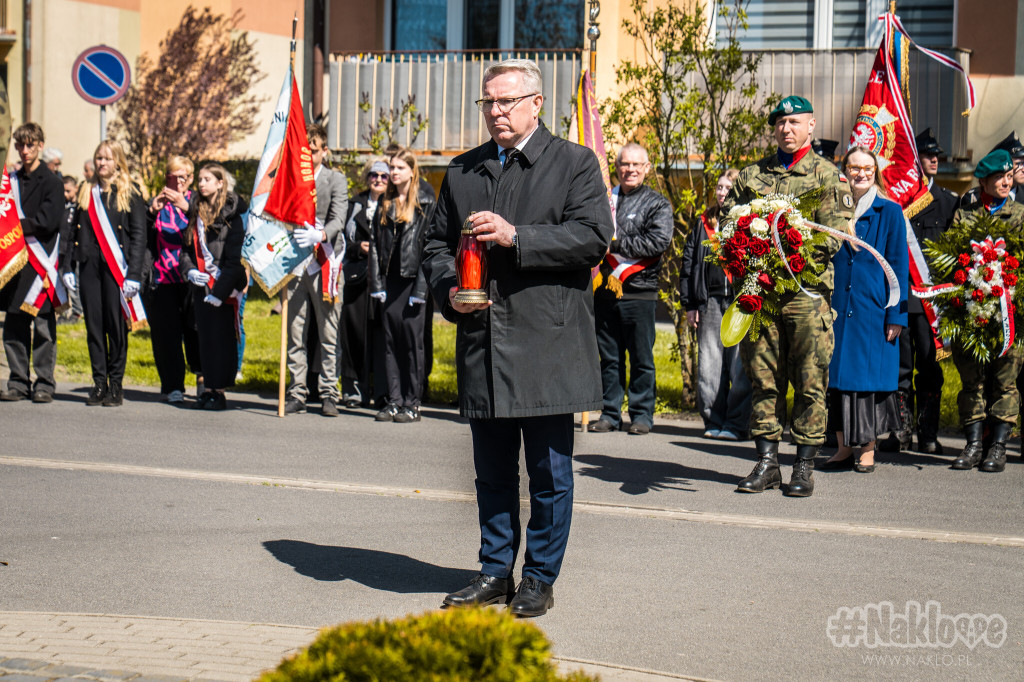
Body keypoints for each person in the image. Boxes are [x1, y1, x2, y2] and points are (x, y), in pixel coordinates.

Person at [423, 59, 614, 616]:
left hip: (547, 343)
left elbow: (592, 237)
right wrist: (448, 292)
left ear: (536, 103)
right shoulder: (462, 171)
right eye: (489, 103)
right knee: (491, 472)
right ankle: (493, 571)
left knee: (549, 475)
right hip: (484, 342)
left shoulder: (575, 164)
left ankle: (539, 577)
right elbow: (435, 246)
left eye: (507, 102)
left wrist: (516, 236)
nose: (497, 112)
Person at [725, 95, 855, 497]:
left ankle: (803, 465)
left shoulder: (827, 176)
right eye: (780, 122)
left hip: (804, 293)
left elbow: (836, 237)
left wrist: (786, 251)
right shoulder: (750, 176)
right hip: (760, 293)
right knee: (763, 377)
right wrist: (751, 252)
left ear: (811, 126)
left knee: (809, 379)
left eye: (794, 122)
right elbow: (729, 225)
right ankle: (766, 463)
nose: (786, 128)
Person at [819, 147, 908, 473]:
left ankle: (867, 449)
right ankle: (843, 448)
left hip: (872, 309)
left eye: (866, 169)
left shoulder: (889, 211)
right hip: (838, 310)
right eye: (854, 168)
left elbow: (899, 265)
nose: (860, 174)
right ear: (845, 170)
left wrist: (897, 315)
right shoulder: (833, 208)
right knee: (838, 383)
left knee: (866, 385)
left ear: (875, 172)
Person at [879, 129, 958, 455]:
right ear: (912, 160)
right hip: (902, 298)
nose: (935, 160)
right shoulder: (896, 202)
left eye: (936, 155)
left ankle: (928, 432)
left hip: (932, 301)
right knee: (899, 369)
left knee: (930, 367)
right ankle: (900, 432)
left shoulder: (947, 203)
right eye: (927, 155)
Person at [589, 143, 672, 436]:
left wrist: (616, 245)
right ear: (617, 167)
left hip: (640, 291)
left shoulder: (658, 204)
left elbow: (657, 242)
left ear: (647, 168)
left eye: (637, 165)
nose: (630, 170)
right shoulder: (604, 200)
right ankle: (610, 413)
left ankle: (641, 414)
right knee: (609, 358)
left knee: (641, 359)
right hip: (605, 291)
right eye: (625, 164)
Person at [948, 150, 1024, 473]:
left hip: (1010, 314)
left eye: (1009, 176)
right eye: (999, 177)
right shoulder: (965, 214)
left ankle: (999, 446)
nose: (1006, 182)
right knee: (972, 380)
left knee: (1006, 380)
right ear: (983, 181)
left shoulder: (1019, 215)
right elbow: (951, 256)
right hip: (973, 313)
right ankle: (974, 443)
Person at [62, 140, 147, 407]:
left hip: (117, 270)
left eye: (108, 159)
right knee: (94, 327)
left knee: (116, 326)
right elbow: (72, 233)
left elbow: (138, 237)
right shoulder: (87, 192)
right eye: (99, 158)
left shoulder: (129, 192)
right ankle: (99, 384)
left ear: (118, 162)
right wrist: (67, 266)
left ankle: (116, 384)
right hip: (89, 268)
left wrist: (134, 274)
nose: (102, 163)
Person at [681, 168, 752, 440]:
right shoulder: (703, 223)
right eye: (720, 187)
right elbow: (688, 265)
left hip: (739, 301)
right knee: (710, 364)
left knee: (738, 364)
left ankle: (736, 424)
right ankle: (713, 420)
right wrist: (690, 304)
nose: (722, 192)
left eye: (728, 188)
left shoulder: (749, 221)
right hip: (709, 301)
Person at [283, 123, 349, 417]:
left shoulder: (335, 179)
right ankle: (297, 391)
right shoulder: (292, 179)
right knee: (295, 331)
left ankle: (329, 393)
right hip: (296, 265)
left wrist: (320, 236)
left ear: (325, 150)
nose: (309, 154)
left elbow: (338, 218)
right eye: (304, 149)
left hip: (326, 262)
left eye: (314, 148)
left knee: (328, 332)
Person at [0, 123, 67, 402]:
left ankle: (44, 383)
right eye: (20, 145)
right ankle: (17, 381)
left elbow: (48, 222)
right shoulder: (11, 181)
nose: (25, 150)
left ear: (40, 145)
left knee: (42, 326)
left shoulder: (52, 182)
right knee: (14, 324)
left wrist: (13, 226)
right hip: (15, 263)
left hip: (39, 264)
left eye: (30, 145)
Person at [369, 147, 435, 423]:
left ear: (411, 170)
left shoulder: (425, 201)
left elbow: (431, 247)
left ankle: (412, 402)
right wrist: (376, 282)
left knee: (412, 344)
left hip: (412, 282)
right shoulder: (385, 201)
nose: (392, 173)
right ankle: (394, 400)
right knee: (390, 343)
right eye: (391, 168)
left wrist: (421, 290)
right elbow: (374, 244)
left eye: (398, 168)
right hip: (390, 281)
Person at [179, 164, 247, 411]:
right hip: (201, 287)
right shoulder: (196, 214)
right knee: (204, 339)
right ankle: (207, 389)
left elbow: (234, 260)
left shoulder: (233, 218)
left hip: (224, 289)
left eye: (207, 179)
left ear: (220, 183)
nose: (201, 184)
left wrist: (219, 292)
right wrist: (189, 270)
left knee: (223, 340)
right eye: (200, 179)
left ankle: (219, 390)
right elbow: (185, 250)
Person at [143, 156, 201, 405]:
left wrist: (188, 208)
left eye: (182, 177)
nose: (177, 181)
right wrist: (150, 212)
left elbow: (210, 225)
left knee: (195, 331)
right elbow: (141, 235)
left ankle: (202, 378)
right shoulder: (157, 203)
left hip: (192, 276)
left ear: (190, 179)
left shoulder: (198, 201)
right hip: (162, 277)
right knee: (166, 335)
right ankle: (172, 385)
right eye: (172, 176)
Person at [340, 159, 389, 408]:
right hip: (356, 277)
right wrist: (358, 247)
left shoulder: (393, 204)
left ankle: (381, 391)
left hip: (384, 278)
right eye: (374, 175)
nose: (378, 180)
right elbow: (340, 240)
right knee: (353, 334)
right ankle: (352, 390)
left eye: (384, 176)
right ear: (366, 178)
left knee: (380, 336)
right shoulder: (354, 204)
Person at [59, 175, 84, 322]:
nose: (65, 194)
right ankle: (63, 311)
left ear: (76, 188)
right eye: (63, 191)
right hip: (61, 251)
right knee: (62, 283)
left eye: (68, 190)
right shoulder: (63, 208)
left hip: (74, 253)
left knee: (75, 284)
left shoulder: (79, 209)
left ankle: (76, 312)